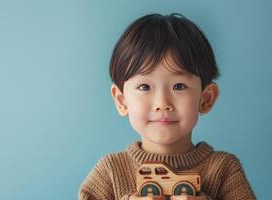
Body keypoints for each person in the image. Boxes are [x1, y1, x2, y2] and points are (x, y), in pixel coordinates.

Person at [78, 13, 256, 200]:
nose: (162, 103)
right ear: (122, 101)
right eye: (144, 87)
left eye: (179, 86)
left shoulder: (224, 169)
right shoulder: (109, 172)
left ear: (206, 99)